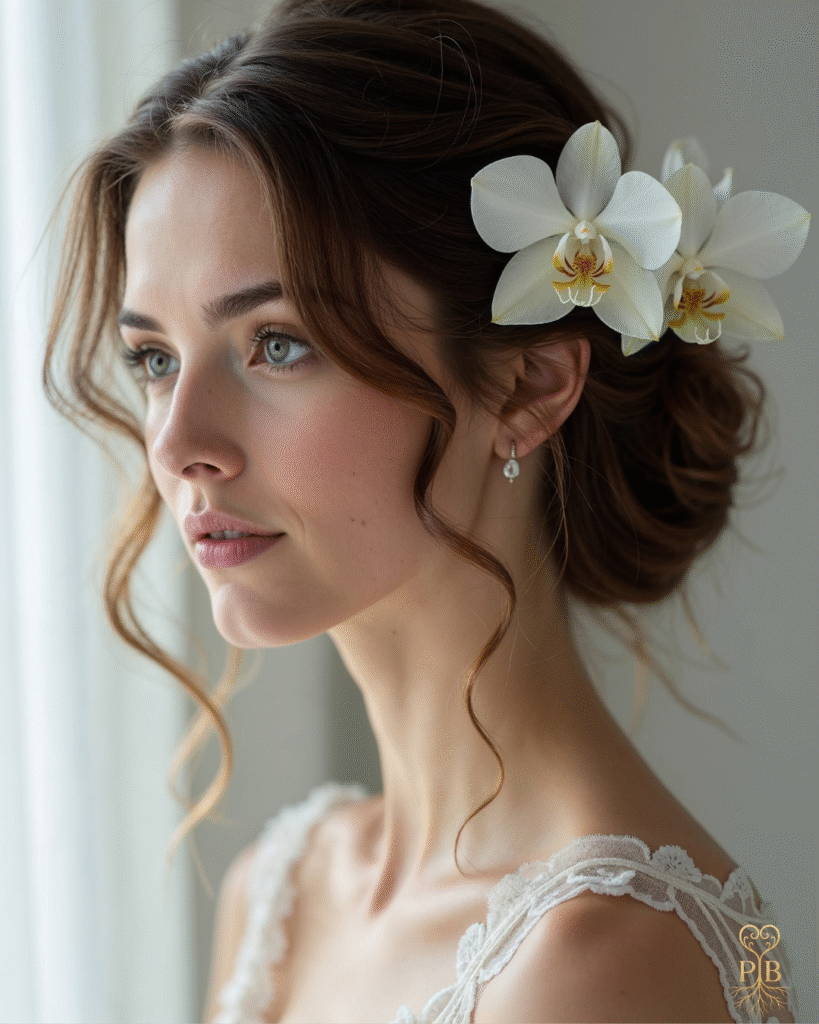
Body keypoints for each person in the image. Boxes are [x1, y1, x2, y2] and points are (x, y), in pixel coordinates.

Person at [43, 0, 809, 1021]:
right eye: (154, 358)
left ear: (530, 384)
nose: (180, 443)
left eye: (277, 342)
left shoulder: (610, 962)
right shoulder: (280, 891)